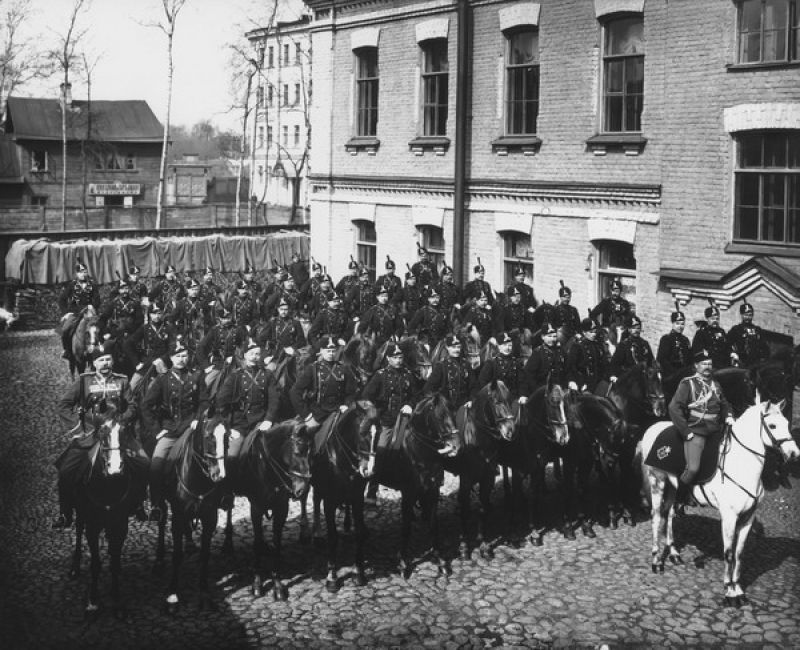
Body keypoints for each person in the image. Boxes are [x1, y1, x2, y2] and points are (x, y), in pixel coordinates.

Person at [52, 342, 146, 528]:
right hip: (90, 434)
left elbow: (133, 406)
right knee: (66, 472)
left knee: (144, 464)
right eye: (101, 360)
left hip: (117, 434)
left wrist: (121, 421)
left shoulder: (122, 380)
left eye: (108, 359)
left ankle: (138, 504)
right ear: (94, 363)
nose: (105, 364)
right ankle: (65, 513)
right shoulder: (84, 381)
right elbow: (64, 405)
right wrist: (78, 429)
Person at [142, 337, 210, 520]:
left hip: (191, 428)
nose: (181, 359)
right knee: (155, 465)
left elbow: (204, 401)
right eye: (177, 355)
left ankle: (218, 496)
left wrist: (197, 419)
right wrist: (157, 430)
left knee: (214, 455)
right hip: (170, 431)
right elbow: (146, 406)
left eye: (184, 355)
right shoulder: (162, 380)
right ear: (171, 358)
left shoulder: (197, 375)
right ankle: (156, 503)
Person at [668, 348, 734, 504]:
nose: (707, 367)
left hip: (716, 430)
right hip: (697, 430)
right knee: (692, 469)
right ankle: (679, 498)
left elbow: (725, 404)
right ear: (696, 366)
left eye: (710, 364)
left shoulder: (715, 385)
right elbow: (674, 407)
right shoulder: (688, 384)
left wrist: (729, 415)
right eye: (704, 363)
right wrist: (686, 431)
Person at [216, 338, 280, 494]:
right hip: (240, 425)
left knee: (280, 449)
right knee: (232, 456)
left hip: (262, 422)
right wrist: (228, 427)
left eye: (258, 354)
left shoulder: (268, 374)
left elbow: (274, 399)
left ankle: (281, 487)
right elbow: (221, 402)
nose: (255, 357)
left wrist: (269, 420)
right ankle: (230, 491)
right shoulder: (235, 376)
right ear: (244, 355)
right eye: (251, 354)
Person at [361, 341, 420, 502]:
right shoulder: (380, 376)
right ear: (388, 358)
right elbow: (366, 396)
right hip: (386, 421)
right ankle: (373, 489)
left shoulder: (408, 374)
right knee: (381, 451)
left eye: (400, 356)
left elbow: (416, 395)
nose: (398, 360)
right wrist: (375, 411)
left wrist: (410, 404)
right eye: (395, 357)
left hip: (406, 420)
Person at [289, 335, 358, 438]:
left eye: (333, 351)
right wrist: (307, 416)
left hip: (338, 412)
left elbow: (351, 392)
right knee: (304, 442)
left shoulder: (344, 369)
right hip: (317, 414)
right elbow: (294, 392)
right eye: (328, 351)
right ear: (321, 350)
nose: (331, 354)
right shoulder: (312, 369)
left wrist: (347, 404)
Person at [124, 301, 179, 386]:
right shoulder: (144, 328)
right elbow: (128, 344)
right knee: (133, 384)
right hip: (147, 362)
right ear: (149, 314)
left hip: (163, 361)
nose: (157, 316)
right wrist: (137, 363)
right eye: (154, 314)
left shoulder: (169, 328)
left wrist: (162, 359)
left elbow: (173, 347)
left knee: (162, 385)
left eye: (159, 313)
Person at [58, 260, 100, 359]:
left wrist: (92, 306)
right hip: (75, 312)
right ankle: (67, 350)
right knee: (65, 329)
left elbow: (98, 300)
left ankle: (100, 348)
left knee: (98, 328)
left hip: (89, 312)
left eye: (85, 272)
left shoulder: (93, 285)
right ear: (76, 273)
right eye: (80, 272)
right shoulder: (72, 285)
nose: (83, 274)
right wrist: (66, 313)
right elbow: (62, 300)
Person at [424, 335, 476, 412]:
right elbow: (428, 389)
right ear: (447, 348)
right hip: (446, 409)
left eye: (458, 347)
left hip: (464, 406)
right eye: (453, 347)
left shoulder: (466, 364)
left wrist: (471, 400)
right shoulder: (441, 366)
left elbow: (474, 386)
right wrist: (439, 403)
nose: (456, 350)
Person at [566, 315, 609, 393]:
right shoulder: (577, 346)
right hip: (583, 384)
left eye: (595, 332)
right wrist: (579, 383)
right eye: (591, 332)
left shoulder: (598, 345)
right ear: (584, 332)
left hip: (599, 383)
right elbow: (572, 368)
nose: (594, 334)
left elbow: (604, 364)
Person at [521, 321, 566, 396]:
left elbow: (567, 369)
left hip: (561, 388)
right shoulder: (538, 353)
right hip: (544, 390)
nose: (552, 339)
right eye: (549, 336)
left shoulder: (561, 351)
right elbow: (529, 375)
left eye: (554, 336)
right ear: (543, 337)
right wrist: (538, 391)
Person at [478, 331, 524, 400]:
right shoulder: (491, 363)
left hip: (514, 398)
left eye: (510, 345)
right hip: (497, 399)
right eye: (504, 345)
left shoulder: (516, 362)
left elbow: (522, 382)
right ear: (499, 346)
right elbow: (483, 381)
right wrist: (491, 395)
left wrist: (522, 395)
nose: (508, 348)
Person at [728, 300, 770, 369]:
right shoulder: (736, 329)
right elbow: (727, 343)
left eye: (750, 315)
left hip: (757, 363)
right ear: (741, 315)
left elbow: (765, 346)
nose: (748, 317)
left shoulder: (758, 330)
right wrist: (733, 354)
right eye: (746, 315)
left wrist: (764, 359)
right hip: (742, 363)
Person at [657, 302, 692, 383]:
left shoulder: (685, 340)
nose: (680, 326)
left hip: (685, 376)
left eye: (682, 324)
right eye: (677, 324)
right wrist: (676, 374)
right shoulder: (666, 339)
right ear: (672, 324)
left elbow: (690, 359)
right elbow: (662, 360)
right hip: (671, 376)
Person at [691, 300, 732, 370]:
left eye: (717, 319)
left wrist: (732, 353)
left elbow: (728, 347)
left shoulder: (721, 332)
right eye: (712, 319)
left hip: (724, 365)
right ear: (707, 319)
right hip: (710, 367)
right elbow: (697, 352)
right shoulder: (701, 333)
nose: (715, 321)